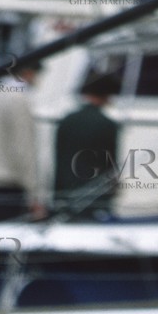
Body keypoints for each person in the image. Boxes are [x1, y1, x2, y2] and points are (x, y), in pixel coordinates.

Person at [0, 66, 46, 221]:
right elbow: (23, 149)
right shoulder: (19, 99)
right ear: (28, 72)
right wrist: (34, 194)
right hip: (13, 184)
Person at [53, 70, 120, 218]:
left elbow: (58, 161)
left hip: (65, 194)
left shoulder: (66, 121)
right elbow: (110, 166)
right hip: (95, 199)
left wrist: (56, 196)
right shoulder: (107, 124)